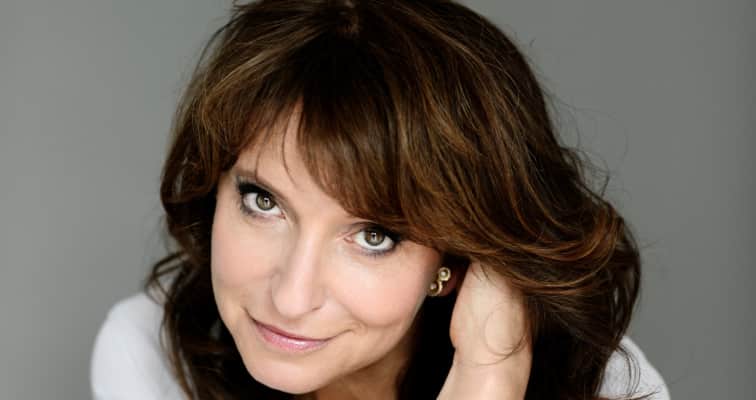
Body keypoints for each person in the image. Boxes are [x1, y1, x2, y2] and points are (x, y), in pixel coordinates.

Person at [90, 1, 670, 399]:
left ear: (454, 261)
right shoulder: (154, 358)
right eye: (263, 202)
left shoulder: (608, 387)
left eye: (373, 236)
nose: (292, 298)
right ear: (213, 187)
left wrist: (489, 376)